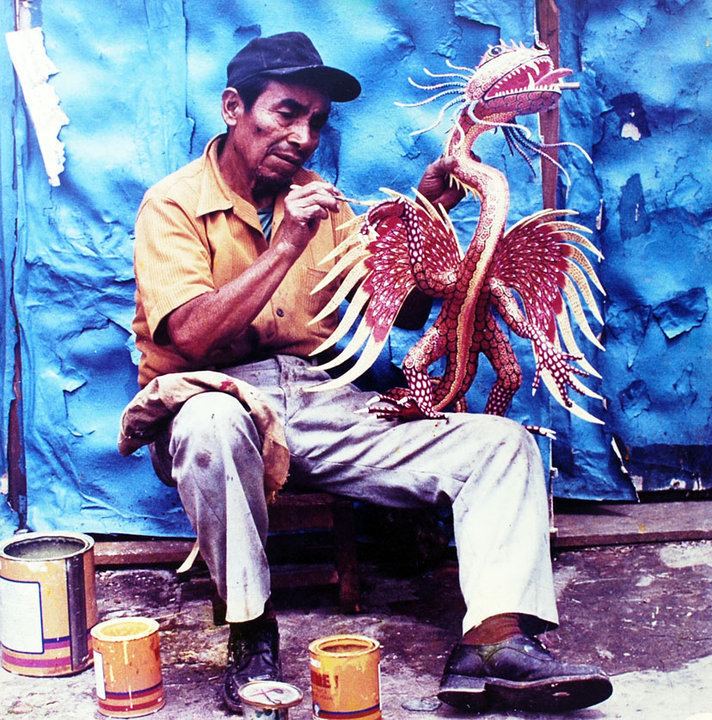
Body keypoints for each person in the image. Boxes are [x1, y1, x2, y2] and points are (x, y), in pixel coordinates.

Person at [130, 31, 613, 714]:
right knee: (212, 419)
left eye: (317, 122)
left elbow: (399, 310)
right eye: (286, 113)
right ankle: (250, 633)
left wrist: (427, 217)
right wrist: (288, 243)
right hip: (215, 398)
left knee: (502, 446)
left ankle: (495, 645)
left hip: (325, 401)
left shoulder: (323, 206)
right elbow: (193, 336)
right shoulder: (173, 204)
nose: (303, 135)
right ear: (234, 107)